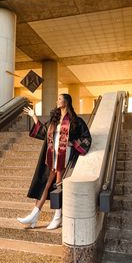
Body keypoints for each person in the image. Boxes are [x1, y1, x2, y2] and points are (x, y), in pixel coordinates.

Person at [17, 94, 92, 230]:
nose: (57, 100)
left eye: (59, 98)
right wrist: (34, 116)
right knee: (46, 186)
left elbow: (86, 137)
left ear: (67, 101)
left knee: (58, 186)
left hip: (65, 156)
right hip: (53, 156)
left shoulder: (76, 121)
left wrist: (73, 143)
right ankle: (34, 215)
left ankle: (57, 217)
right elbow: (44, 132)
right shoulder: (55, 120)